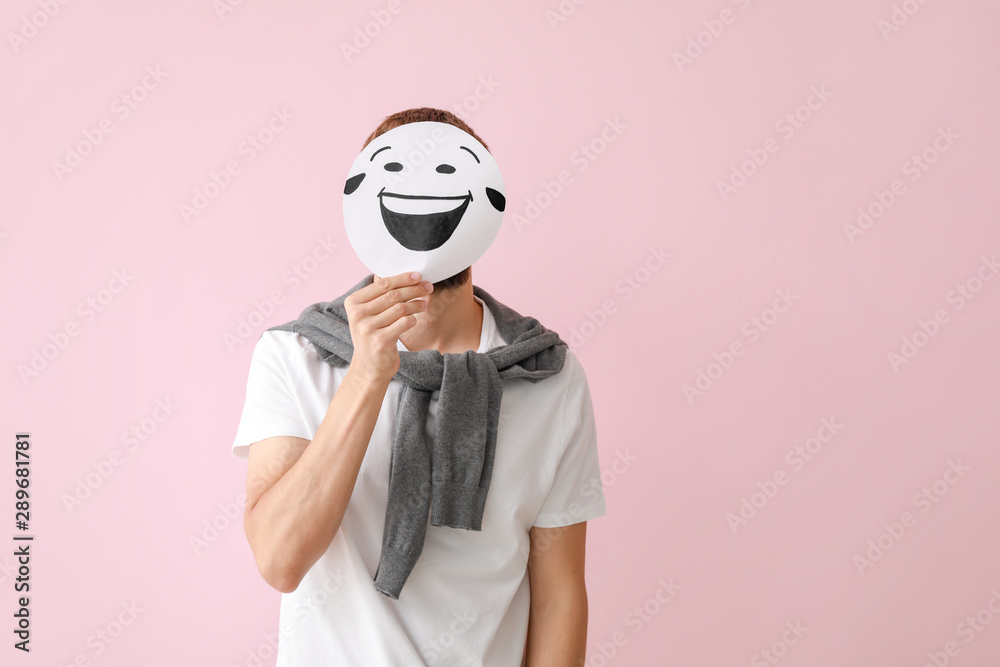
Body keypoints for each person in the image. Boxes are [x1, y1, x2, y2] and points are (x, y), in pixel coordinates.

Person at [231, 107, 607, 666]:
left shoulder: (547, 374)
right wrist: (365, 376)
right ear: (361, 198)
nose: (424, 193)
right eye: (398, 173)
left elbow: (559, 594)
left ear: (490, 202)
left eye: (452, 173)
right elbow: (281, 560)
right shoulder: (294, 355)